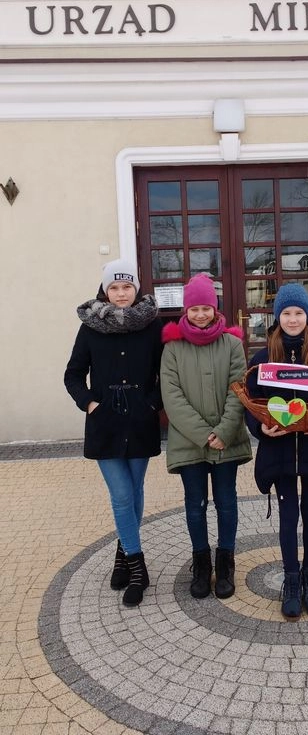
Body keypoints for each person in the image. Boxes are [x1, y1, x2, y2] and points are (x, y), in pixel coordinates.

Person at [245, 283, 308, 620]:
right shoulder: (262, 360)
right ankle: (291, 581)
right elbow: (251, 404)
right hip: (280, 452)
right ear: (277, 317)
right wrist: (259, 427)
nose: (292, 319)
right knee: (288, 516)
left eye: (298, 312)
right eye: (286, 313)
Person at [64, 258, 162, 607]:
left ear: (136, 288)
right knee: (121, 495)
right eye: (114, 287)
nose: (121, 293)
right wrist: (91, 404)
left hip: (140, 422)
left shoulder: (152, 326)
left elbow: (167, 372)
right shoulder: (91, 327)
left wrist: (151, 404)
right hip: (104, 423)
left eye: (127, 286)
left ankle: (122, 555)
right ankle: (137, 567)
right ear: (105, 290)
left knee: (134, 491)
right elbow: (73, 374)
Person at [160, 274, 252, 600]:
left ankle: (225, 562)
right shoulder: (173, 348)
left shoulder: (232, 345)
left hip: (226, 441)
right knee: (195, 504)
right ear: (186, 310)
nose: (200, 314)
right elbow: (172, 396)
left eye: (206, 308)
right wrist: (204, 434)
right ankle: (201, 563)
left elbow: (238, 389)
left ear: (215, 308)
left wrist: (224, 431)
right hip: (190, 443)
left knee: (226, 502)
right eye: (194, 308)